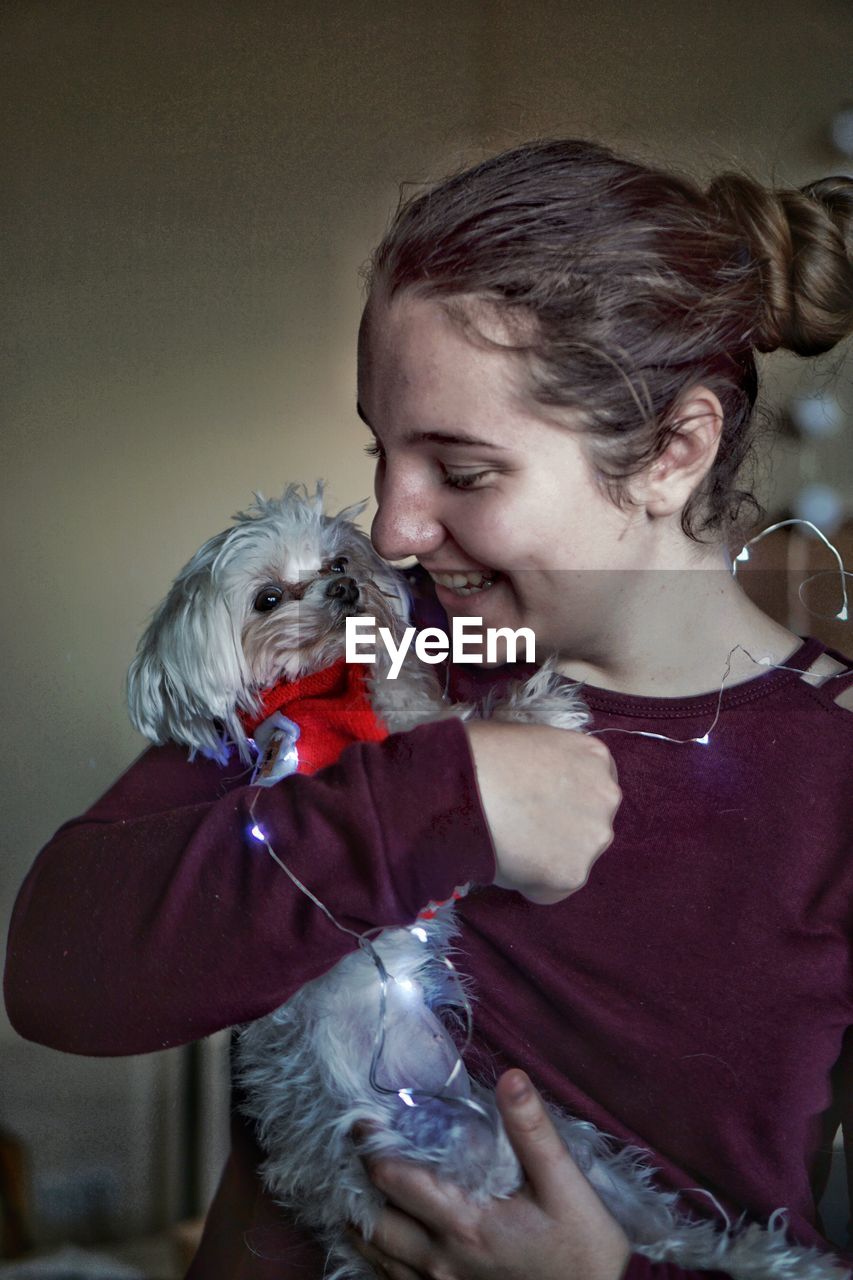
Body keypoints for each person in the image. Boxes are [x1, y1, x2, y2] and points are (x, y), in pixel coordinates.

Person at [4, 139, 853, 1280]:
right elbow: (60, 969)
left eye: (460, 472)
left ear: (672, 449)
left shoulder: (834, 774)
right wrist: (435, 795)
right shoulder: (351, 637)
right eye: (381, 450)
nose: (392, 530)